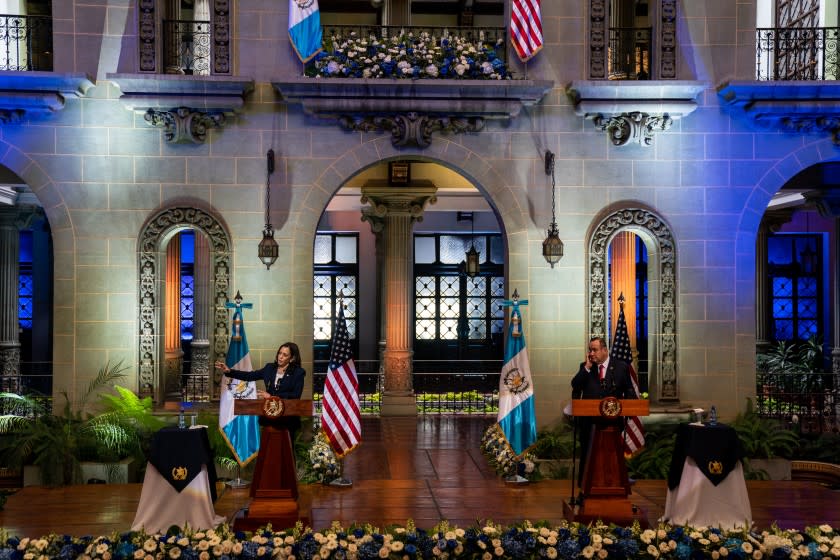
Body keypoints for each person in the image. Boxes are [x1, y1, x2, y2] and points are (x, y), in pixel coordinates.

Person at [570, 336, 636, 494]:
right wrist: (586, 367)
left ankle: (614, 487)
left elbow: (629, 391)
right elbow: (575, 385)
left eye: (595, 350)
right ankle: (585, 490)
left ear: (605, 350)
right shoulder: (586, 367)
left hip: (612, 424)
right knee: (588, 455)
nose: (591, 353)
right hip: (589, 423)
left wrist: (630, 407)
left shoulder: (620, 367)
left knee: (612, 456)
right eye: (590, 350)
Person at [215, 341, 306, 436]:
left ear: (291, 358)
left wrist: (272, 397)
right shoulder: (269, 368)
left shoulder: (298, 373)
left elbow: (296, 395)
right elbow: (249, 376)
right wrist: (229, 371)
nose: (280, 356)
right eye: (279, 353)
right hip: (269, 418)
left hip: (287, 421)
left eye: (285, 355)